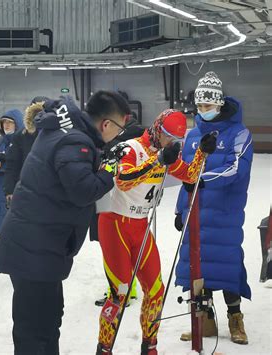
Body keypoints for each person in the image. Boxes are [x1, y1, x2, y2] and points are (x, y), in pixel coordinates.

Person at [0, 91, 130, 355]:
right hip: (34, 249)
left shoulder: (65, 134)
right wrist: (109, 171)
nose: (118, 135)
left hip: (40, 246)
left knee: (47, 320)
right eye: (119, 129)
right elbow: (82, 190)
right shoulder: (74, 142)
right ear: (106, 124)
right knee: (34, 328)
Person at [95, 109, 217, 355]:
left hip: (140, 225)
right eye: (168, 136)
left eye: (176, 140)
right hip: (115, 223)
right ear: (157, 129)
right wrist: (158, 160)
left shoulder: (168, 152)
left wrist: (203, 152)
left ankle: (149, 346)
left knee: (155, 290)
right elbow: (123, 180)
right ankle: (104, 347)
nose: (171, 143)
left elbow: (190, 175)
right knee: (119, 293)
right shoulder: (131, 148)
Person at [174, 71, 253, 345]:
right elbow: (185, 174)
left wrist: (202, 180)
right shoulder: (192, 135)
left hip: (224, 214)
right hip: (195, 213)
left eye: (207, 106)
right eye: (199, 106)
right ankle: (203, 321)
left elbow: (236, 168)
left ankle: (235, 318)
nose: (202, 111)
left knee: (226, 265)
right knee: (197, 269)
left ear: (219, 104)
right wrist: (178, 209)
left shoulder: (239, 133)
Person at [92, 114, 145, 307]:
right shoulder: (139, 136)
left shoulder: (117, 139)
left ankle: (117, 291)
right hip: (129, 202)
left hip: (112, 198)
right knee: (126, 248)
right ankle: (125, 289)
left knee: (112, 248)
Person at [0, 109, 23, 269]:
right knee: (3, 220)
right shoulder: (0, 142)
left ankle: (17, 255)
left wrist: (3, 165)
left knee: (15, 221)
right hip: (1, 187)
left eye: (10, 122)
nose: (6, 125)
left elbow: (23, 164)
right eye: (4, 122)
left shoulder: (22, 141)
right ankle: (3, 256)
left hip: (16, 186)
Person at [3, 96, 48, 206]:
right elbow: (12, 165)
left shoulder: (57, 134)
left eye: (42, 111)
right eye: (35, 112)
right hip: (26, 190)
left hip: (51, 191)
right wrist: (9, 190)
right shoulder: (21, 136)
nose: (39, 115)